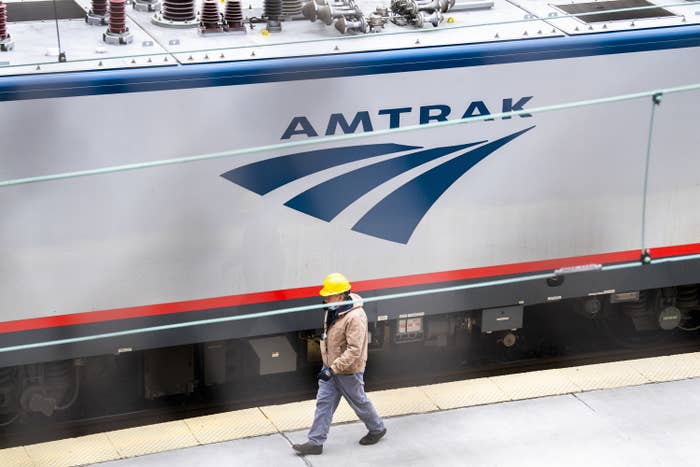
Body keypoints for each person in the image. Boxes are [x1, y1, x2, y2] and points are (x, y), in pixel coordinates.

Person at [292, 272, 387, 455]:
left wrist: (333, 369)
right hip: (331, 367)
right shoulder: (333, 310)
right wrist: (328, 366)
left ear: (341, 296)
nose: (326, 299)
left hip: (348, 371)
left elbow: (354, 350)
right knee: (324, 402)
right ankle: (315, 442)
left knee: (359, 401)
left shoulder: (355, 317)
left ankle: (377, 428)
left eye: (329, 296)